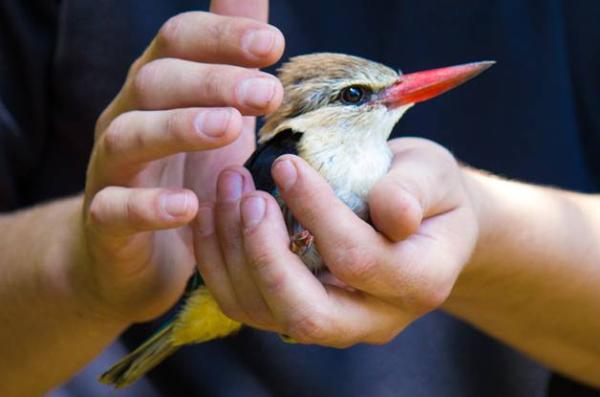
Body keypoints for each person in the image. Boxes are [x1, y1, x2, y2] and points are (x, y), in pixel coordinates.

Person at [1, 0, 599, 396]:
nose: (385, 101)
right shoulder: (283, 158)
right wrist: (87, 269)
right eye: (354, 97)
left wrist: (480, 227)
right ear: (305, 122)